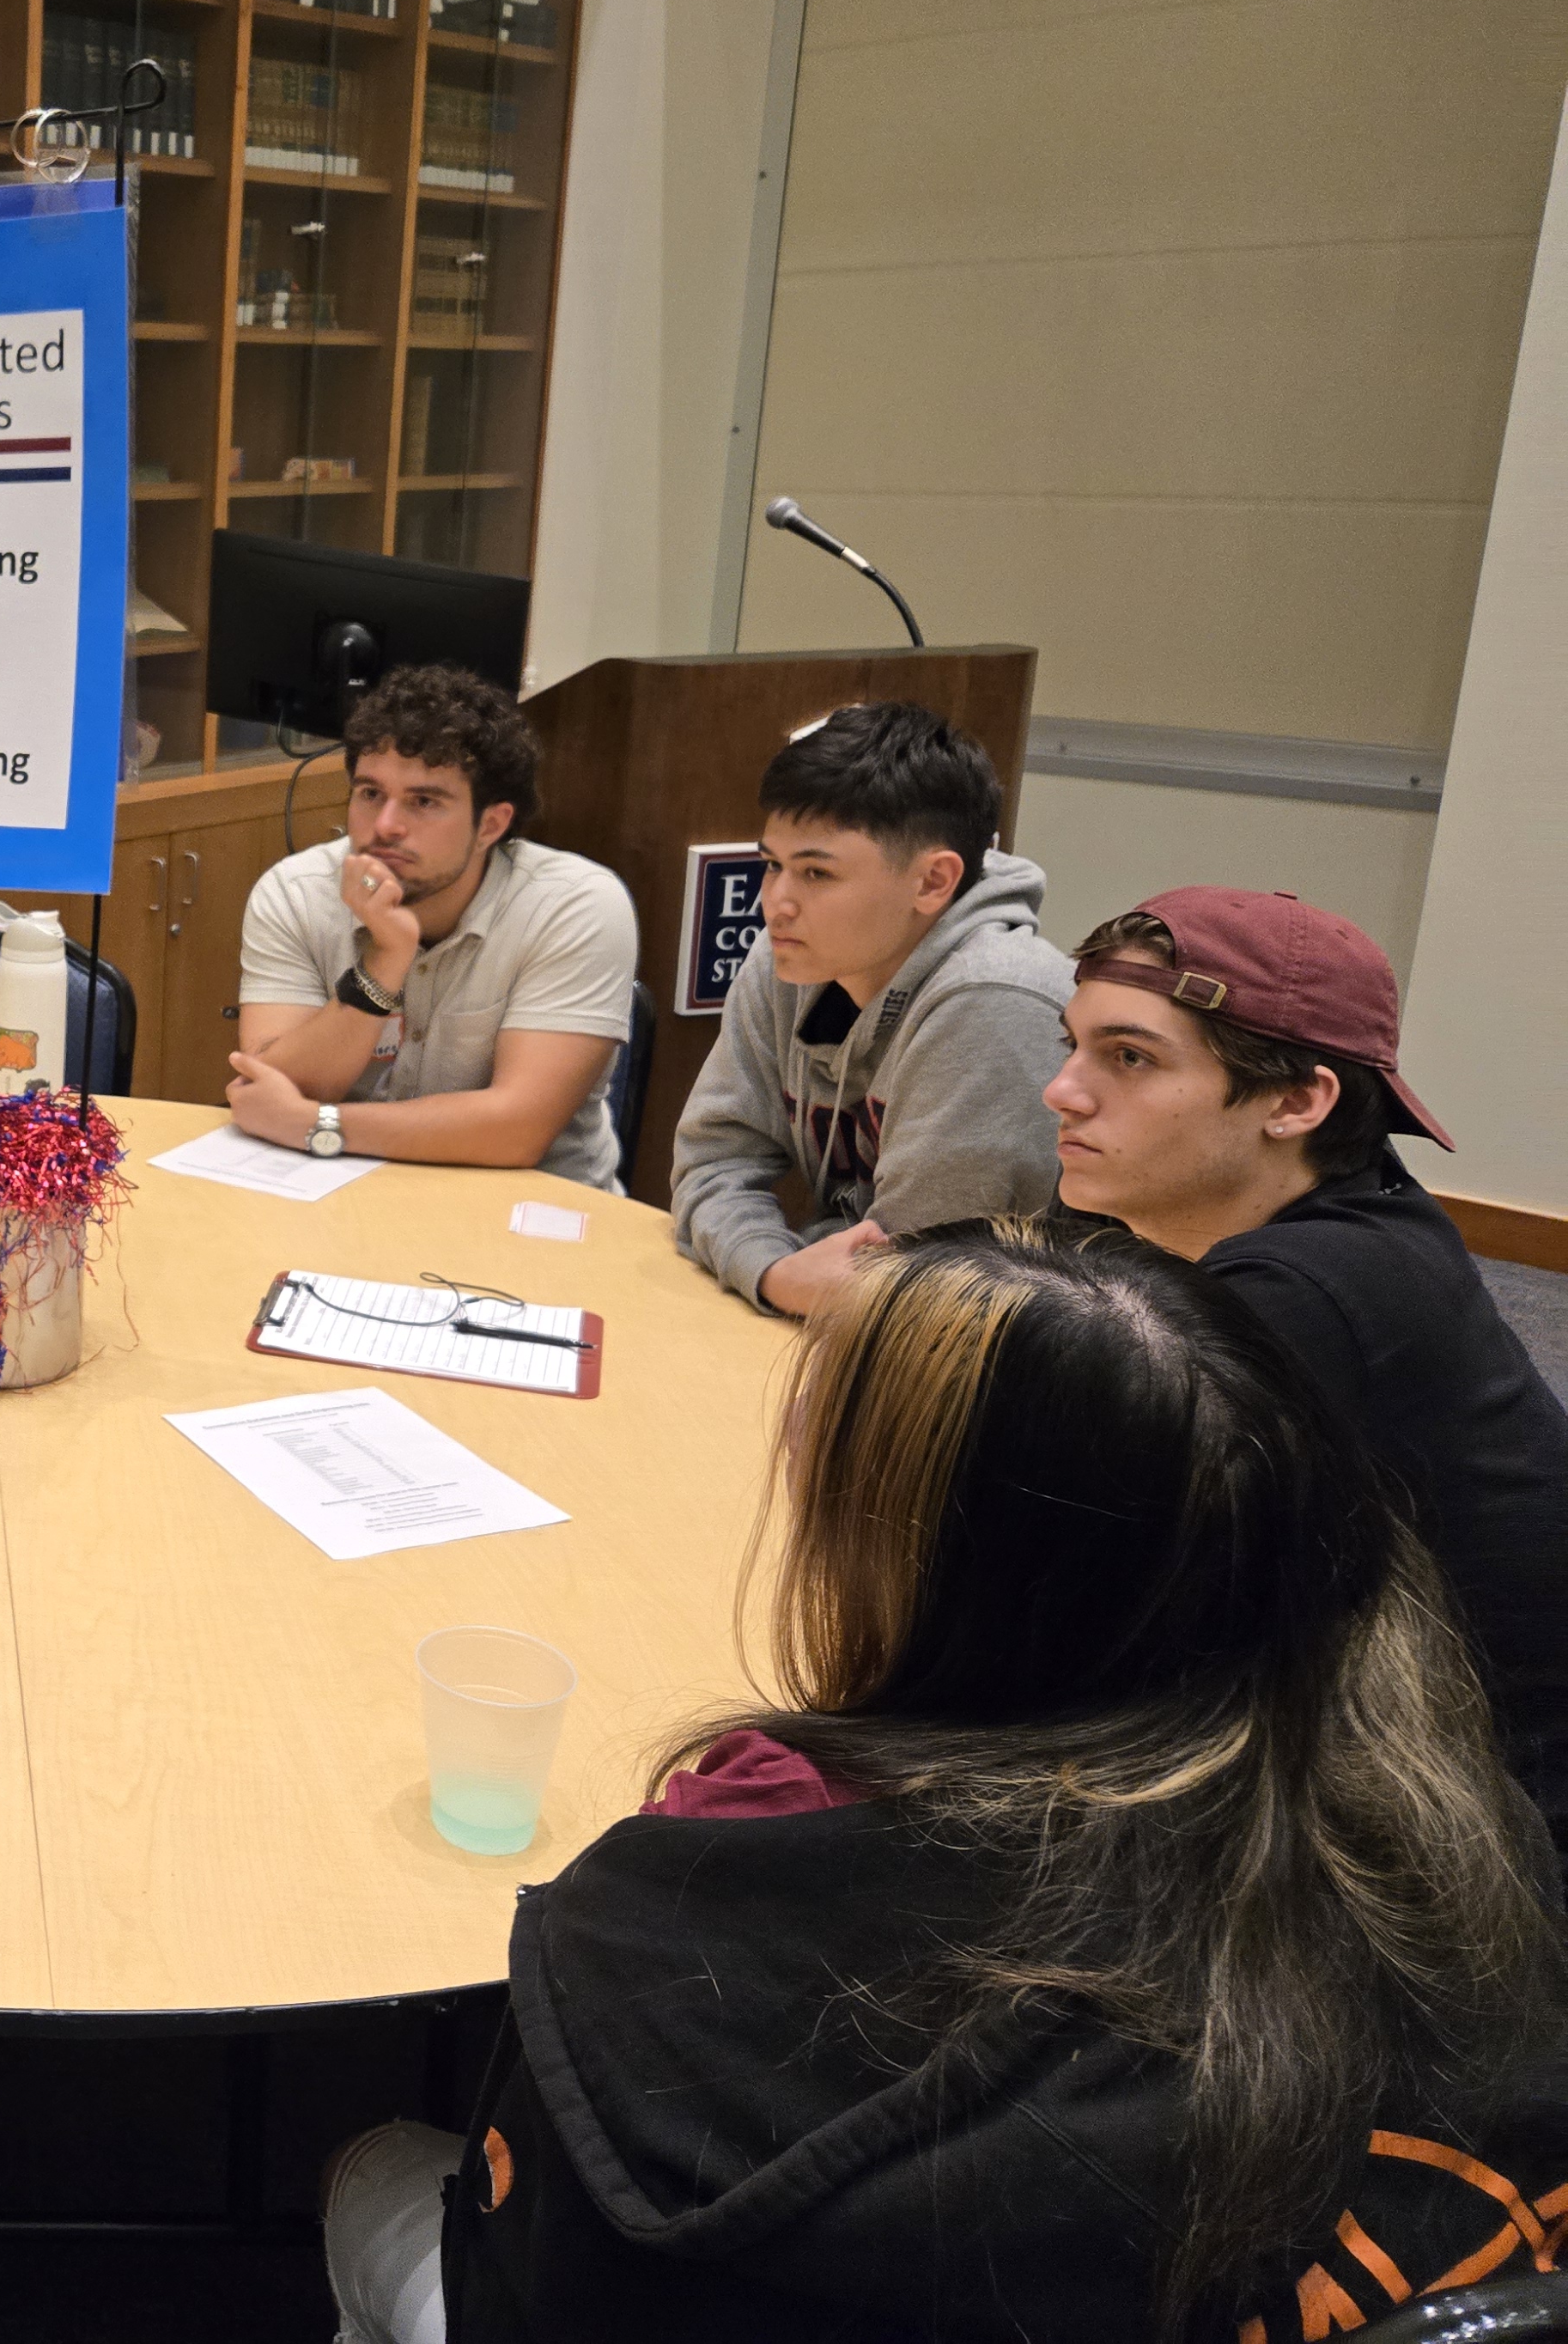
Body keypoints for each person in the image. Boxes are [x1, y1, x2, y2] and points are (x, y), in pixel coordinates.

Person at [323, 1219, 1568, 2342]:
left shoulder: (706, 1888)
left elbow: (544, 2270)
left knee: (375, 2167)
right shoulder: (1459, 1847)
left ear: (901, 1553)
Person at [1049, 886, 1568, 1855]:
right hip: (1376, 1753)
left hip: (1485, 1847)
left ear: (1296, 1101)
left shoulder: (1306, 1290)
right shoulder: (1297, 1206)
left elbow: (1082, 1590)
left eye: (1128, 1058)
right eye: (1070, 1047)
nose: (1064, 1092)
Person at [670, 702, 1071, 1314]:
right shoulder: (788, 956)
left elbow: (910, 1282)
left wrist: (775, 1268)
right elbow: (712, 1163)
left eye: (816, 874)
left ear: (933, 881)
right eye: (772, 865)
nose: (775, 902)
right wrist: (772, 1269)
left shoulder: (997, 1001)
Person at [227, 666, 638, 1189]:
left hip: (525, 1216)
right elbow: (273, 1088)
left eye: (424, 802)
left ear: (491, 824)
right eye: (370, 793)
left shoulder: (576, 905)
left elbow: (517, 1131)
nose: (385, 827)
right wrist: (383, 963)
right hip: (342, 1197)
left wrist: (320, 1126)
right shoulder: (295, 892)